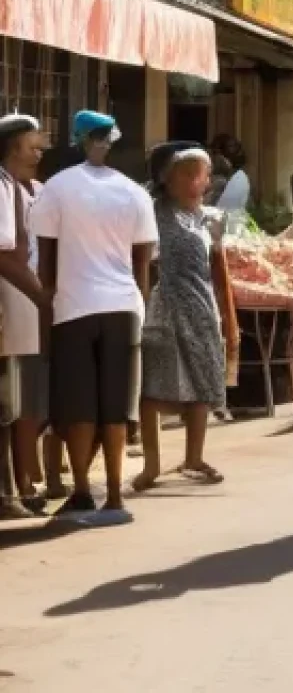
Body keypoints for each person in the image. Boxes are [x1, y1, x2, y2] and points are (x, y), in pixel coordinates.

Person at [32, 110, 158, 525]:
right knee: (116, 402)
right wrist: (139, 303)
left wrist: (46, 304)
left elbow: (46, 260)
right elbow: (143, 262)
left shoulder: (56, 188)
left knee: (79, 403)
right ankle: (117, 494)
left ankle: (83, 489)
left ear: (77, 139)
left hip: (73, 306)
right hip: (123, 307)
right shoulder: (134, 192)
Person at [132, 142, 238, 493]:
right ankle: (152, 465)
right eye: (188, 174)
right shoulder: (152, 213)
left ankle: (194, 457)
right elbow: (142, 262)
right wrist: (141, 303)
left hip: (203, 308)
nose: (197, 182)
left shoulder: (211, 219)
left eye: (202, 175)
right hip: (163, 307)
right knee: (153, 385)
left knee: (203, 382)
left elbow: (219, 271)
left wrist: (230, 318)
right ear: (168, 179)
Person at [0, 114, 52, 519]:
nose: (41, 147)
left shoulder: (31, 189)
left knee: (27, 400)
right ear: (12, 145)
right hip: (16, 306)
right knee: (16, 402)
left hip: (27, 306)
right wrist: (41, 297)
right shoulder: (2, 187)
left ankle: (26, 480)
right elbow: (7, 255)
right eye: (33, 141)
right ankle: (19, 486)